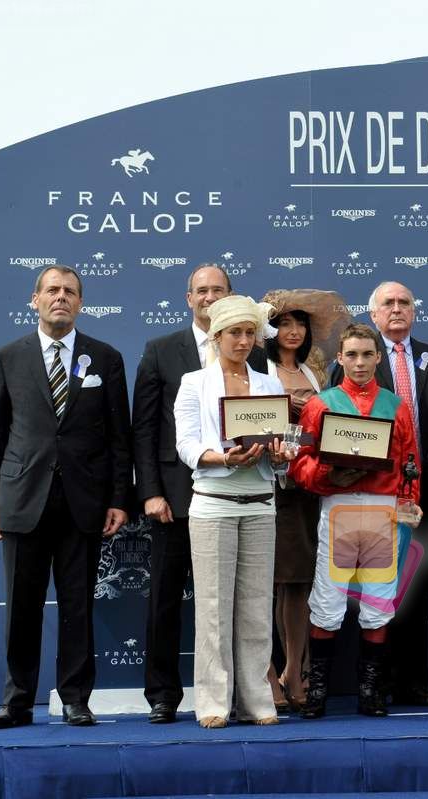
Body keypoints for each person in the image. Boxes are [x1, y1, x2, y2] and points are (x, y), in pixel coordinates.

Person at [0, 265, 132, 729]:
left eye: (69, 291)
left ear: (81, 303)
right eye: (52, 290)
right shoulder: (7, 357)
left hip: (84, 502)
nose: (60, 297)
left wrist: (118, 498)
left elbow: (118, 439)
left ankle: (75, 700)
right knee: (20, 608)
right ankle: (17, 700)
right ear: (35, 299)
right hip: (22, 500)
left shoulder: (105, 358)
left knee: (78, 606)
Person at [133, 263, 266, 724]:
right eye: (202, 290)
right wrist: (150, 491)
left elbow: (262, 424)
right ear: (188, 298)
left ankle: (245, 696)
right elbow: (146, 429)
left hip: (248, 494)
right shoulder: (160, 350)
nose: (210, 297)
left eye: (219, 290)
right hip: (174, 496)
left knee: (244, 602)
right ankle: (164, 695)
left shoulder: (258, 362)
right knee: (168, 599)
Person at [330, 281, 428, 706]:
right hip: (374, 496)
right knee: (375, 590)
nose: (397, 309)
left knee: (417, 589)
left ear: (415, 310)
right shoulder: (358, 360)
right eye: (389, 303)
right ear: (374, 313)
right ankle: (375, 685)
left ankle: (413, 682)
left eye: (405, 301)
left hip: (426, 496)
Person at [174, 294, 296, 728]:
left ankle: (256, 700)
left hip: (262, 504)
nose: (243, 341)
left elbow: (281, 447)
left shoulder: (270, 385)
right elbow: (185, 444)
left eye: (249, 333)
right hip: (212, 505)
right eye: (234, 333)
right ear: (217, 336)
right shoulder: (194, 383)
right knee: (212, 608)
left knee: (257, 607)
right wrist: (220, 458)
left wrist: (281, 457)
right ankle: (212, 702)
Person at [292, 323, 421, 719]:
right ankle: (317, 690)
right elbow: (300, 462)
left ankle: (370, 690)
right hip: (340, 508)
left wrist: (410, 503)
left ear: (378, 357)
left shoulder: (396, 406)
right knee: (328, 598)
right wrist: (329, 475)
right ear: (339, 358)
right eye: (352, 355)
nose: (360, 362)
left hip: (384, 511)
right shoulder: (321, 404)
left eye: (367, 354)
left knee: (379, 600)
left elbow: (410, 464)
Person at [258, 288, 351, 712]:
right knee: (278, 583)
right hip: (272, 487)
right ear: (271, 330)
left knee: (301, 584)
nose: (293, 332)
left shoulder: (317, 374)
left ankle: (296, 668)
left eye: (300, 325)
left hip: (309, 489)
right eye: (284, 324)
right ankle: (270, 675)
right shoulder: (260, 370)